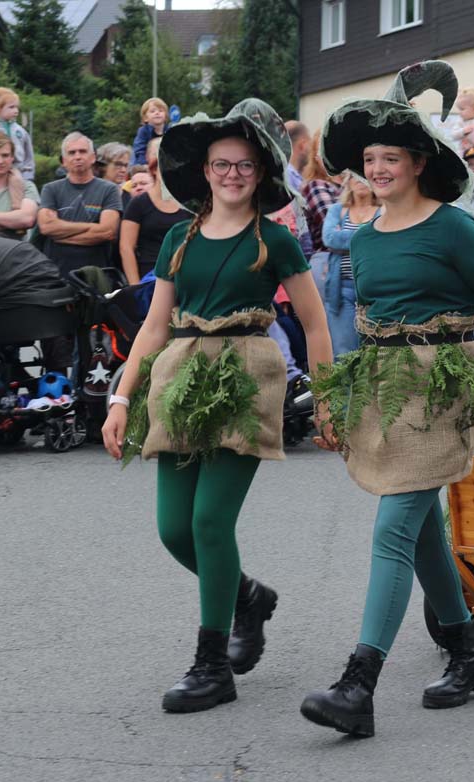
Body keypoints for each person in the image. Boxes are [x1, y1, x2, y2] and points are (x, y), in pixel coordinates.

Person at [301, 61, 474, 738]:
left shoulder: (454, 227)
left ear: (419, 161)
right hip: (385, 388)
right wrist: (337, 403)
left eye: (390, 156)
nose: (378, 168)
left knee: (393, 528)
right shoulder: (361, 238)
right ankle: (466, 653)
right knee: (419, 532)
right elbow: (364, 330)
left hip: (446, 379)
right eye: (369, 159)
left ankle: (357, 686)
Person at [101, 98, 332, 715]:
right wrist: (122, 396)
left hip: (247, 377)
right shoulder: (178, 237)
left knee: (209, 522)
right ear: (204, 171)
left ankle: (211, 666)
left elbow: (314, 323)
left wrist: (329, 397)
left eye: (245, 166)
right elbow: (152, 328)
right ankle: (247, 599)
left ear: (261, 174)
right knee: (174, 529)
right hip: (179, 374)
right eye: (222, 164)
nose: (232, 174)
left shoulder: (276, 240)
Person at [38, 132, 122, 278]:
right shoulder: (50, 189)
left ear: (93, 157)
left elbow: (108, 232)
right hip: (56, 274)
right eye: (72, 153)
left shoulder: (109, 189)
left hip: (96, 274)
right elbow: (46, 227)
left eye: (83, 151)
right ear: (64, 161)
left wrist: (60, 236)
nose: (77, 156)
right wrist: (91, 227)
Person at [322, 172, 381, 356]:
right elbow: (330, 238)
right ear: (348, 181)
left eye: (363, 177)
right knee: (344, 353)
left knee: (374, 352)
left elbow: (385, 240)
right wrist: (368, 235)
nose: (360, 182)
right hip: (342, 290)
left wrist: (345, 240)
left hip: (375, 291)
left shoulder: (384, 209)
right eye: (355, 176)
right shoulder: (337, 210)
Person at [120, 138, 192, 285]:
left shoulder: (191, 203)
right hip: (150, 276)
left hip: (185, 275)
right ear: (154, 169)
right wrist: (136, 287)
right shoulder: (138, 204)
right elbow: (126, 247)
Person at [300, 130, 341, 293]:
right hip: (328, 263)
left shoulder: (354, 185)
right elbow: (333, 233)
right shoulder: (316, 186)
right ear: (315, 158)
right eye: (322, 152)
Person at [132, 97, 170, 166]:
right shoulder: (143, 131)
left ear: (166, 116)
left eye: (161, 111)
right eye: (152, 111)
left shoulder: (170, 131)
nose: (157, 113)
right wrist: (144, 164)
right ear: (145, 118)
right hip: (145, 164)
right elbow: (139, 150)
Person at [284, 121, 311, 191]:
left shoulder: (287, 175)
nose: (311, 150)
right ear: (302, 145)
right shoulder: (289, 178)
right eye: (310, 144)